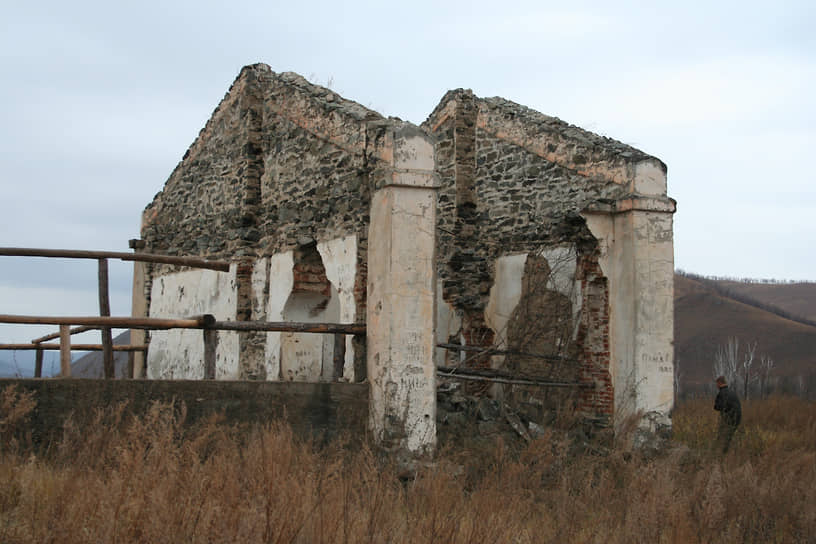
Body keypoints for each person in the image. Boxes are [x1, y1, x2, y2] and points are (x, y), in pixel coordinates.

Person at [714, 376, 741, 453]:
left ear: (719, 383)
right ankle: (727, 452)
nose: (716, 386)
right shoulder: (732, 392)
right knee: (729, 437)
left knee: (722, 437)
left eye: (717, 384)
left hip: (728, 419)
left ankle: (722, 454)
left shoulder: (722, 393)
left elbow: (718, 406)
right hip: (737, 418)